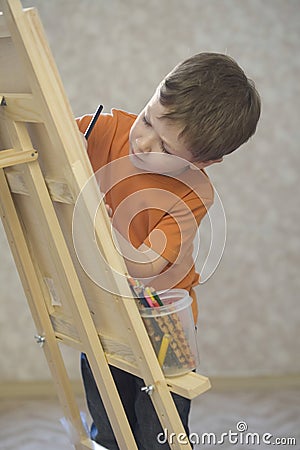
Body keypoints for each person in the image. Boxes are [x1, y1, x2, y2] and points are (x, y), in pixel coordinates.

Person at [76, 52, 261, 449]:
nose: (143, 142)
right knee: (108, 430)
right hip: (105, 315)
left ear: (204, 162)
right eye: (147, 119)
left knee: (159, 436)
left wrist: (104, 232)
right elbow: (43, 146)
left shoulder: (195, 192)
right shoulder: (104, 131)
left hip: (164, 328)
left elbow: (149, 265)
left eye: (167, 149)